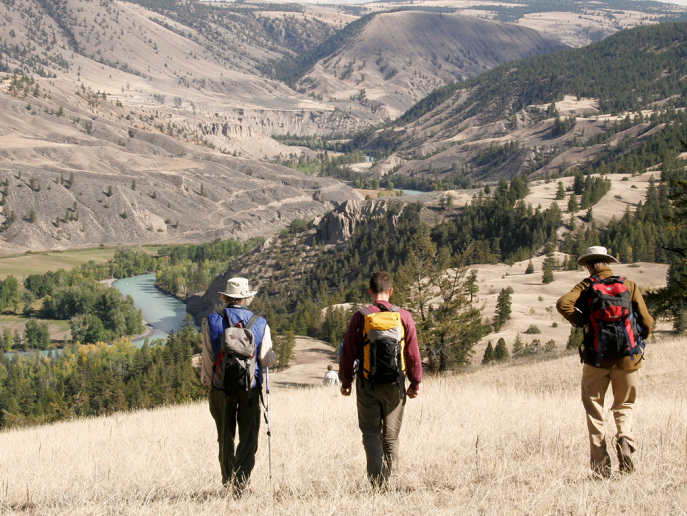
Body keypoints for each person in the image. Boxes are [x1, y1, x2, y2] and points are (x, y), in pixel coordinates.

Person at [556, 246, 654, 478]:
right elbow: (647, 322)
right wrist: (638, 342)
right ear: (608, 263)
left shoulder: (587, 286)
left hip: (596, 359)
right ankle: (624, 439)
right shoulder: (629, 285)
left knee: (594, 411)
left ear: (589, 266)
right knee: (624, 405)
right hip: (628, 359)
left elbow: (563, 304)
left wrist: (585, 321)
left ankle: (601, 468)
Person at [339, 271, 422, 487]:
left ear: (370, 291)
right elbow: (412, 354)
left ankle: (378, 484)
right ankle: (392, 479)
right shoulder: (404, 316)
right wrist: (415, 382)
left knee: (371, 434)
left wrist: (345, 381)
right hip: (395, 385)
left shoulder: (361, 316)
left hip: (367, 384)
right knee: (391, 437)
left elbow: (348, 352)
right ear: (391, 291)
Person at [201, 277, 276, 492]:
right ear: (247, 298)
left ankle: (227, 480)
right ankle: (241, 483)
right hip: (250, 389)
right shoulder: (260, 323)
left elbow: (207, 356)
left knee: (225, 437)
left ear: (225, 297)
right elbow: (267, 360)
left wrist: (209, 383)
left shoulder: (213, 320)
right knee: (249, 436)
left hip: (221, 387)